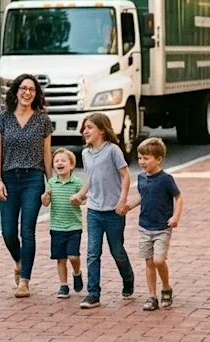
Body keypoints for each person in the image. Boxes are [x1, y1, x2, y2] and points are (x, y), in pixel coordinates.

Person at [0, 73, 53, 298]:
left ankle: (25, 280)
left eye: (32, 90)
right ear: (16, 91)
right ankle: (19, 261)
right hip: (8, 178)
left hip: (33, 179)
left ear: (36, 94)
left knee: (27, 231)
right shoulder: (3, 118)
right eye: (23, 88)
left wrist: (51, 184)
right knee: (8, 232)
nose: (27, 93)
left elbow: (47, 155)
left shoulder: (42, 120)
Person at [72, 112, 134, 309]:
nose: (85, 131)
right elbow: (91, 179)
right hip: (94, 211)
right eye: (84, 128)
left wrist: (122, 200)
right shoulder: (85, 154)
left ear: (102, 129)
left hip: (114, 212)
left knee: (117, 251)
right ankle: (93, 294)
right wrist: (81, 195)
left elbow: (126, 175)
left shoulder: (113, 150)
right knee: (92, 252)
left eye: (89, 127)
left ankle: (128, 278)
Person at [127, 137, 184, 312]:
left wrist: (176, 217)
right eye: (140, 158)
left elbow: (179, 198)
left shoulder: (166, 179)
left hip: (162, 227)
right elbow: (142, 196)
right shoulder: (141, 178)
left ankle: (166, 287)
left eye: (146, 158)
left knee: (159, 260)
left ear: (158, 159)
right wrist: (129, 205)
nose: (142, 162)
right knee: (149, 262)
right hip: (144, 226)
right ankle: (152, 296)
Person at [41, 148, 84, 299]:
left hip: (74, 226)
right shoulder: (52, 183)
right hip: (57, 227)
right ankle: (63, 285)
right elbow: (46, 203)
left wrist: (79, 199)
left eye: (63, 161)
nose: (59, 163)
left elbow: (84, 199)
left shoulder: (77, 182)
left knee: (73, 256)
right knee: (61, 258)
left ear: (71, 165)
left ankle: (77, 273)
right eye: (56, 161)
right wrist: (46, 195)